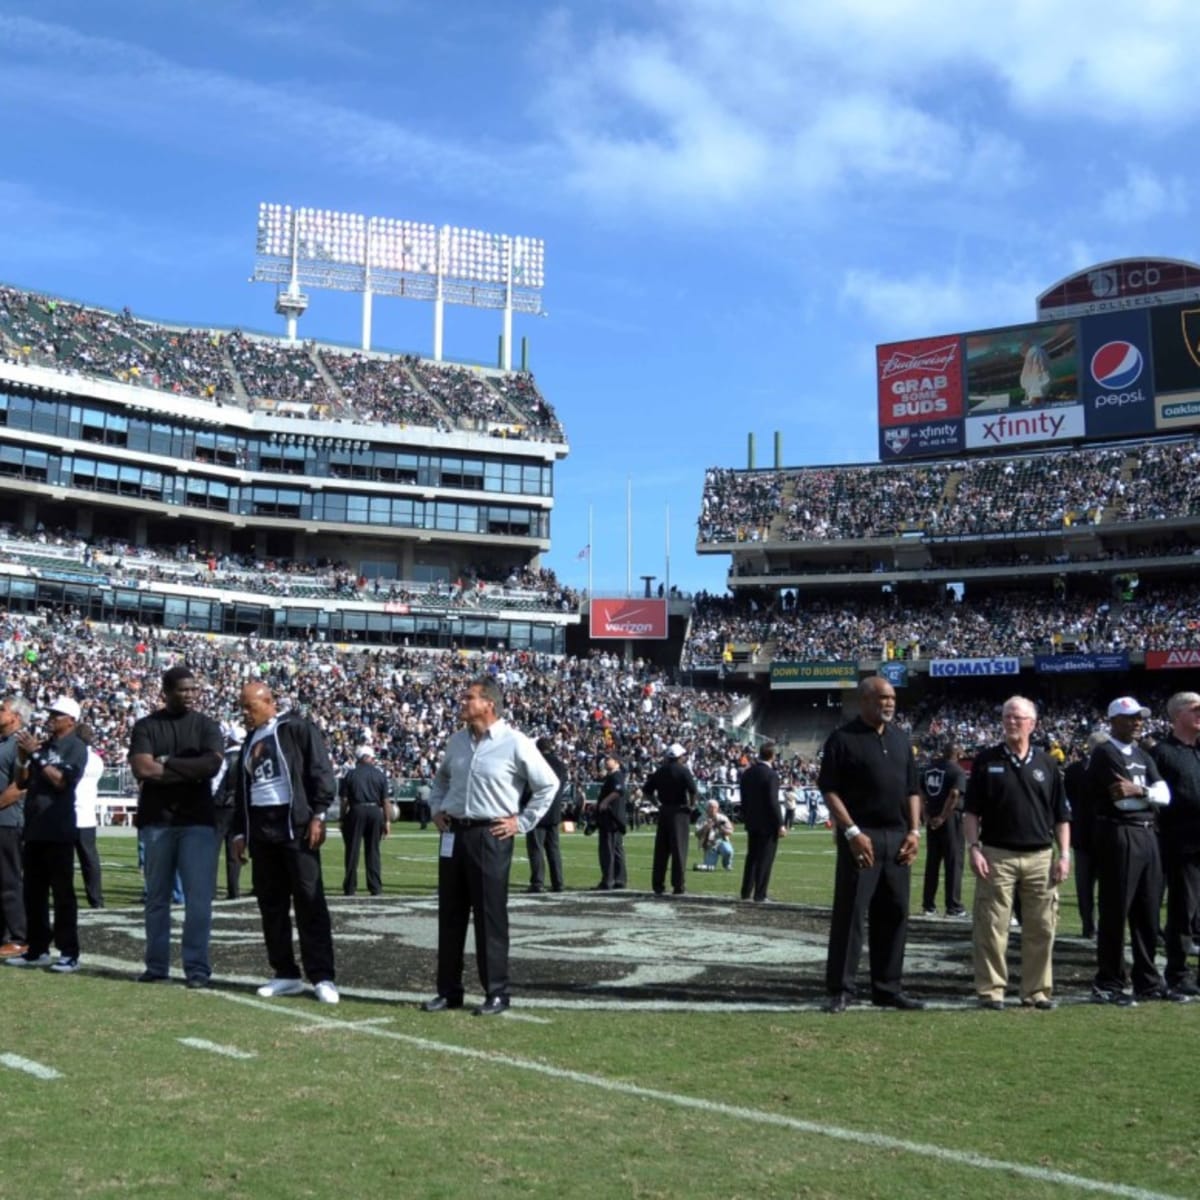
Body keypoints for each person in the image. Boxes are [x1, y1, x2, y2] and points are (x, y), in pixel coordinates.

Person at [421, 677, 558, 1016]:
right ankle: (449, 991)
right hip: (454, 833)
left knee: (489, 917)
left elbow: (548, 784)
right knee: (450, 916)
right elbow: (440, 780)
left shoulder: (515, 742)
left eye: (469, 697)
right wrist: (436, 809)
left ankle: (497, 992)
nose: (462, 701)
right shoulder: (456, 742)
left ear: (489, 704)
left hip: (490, 835)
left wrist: (521, 822)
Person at [819, 676, 924, 1013]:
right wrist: (850, 831)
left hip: (897, 837)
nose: (890, 703)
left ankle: (887, 987)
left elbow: (912, 790)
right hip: (860, 838)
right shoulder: (842, 739)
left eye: (893, 697)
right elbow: (830, 790)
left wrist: (914, 831)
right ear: (864, 700)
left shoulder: (900, 740)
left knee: (894, 913)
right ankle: (841, 989)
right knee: (851, 914)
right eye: (883, 697)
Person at [232, 682, 340, 1004]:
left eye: (249, 707)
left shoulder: (296, 728)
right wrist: (240, 832)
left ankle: (322, 975)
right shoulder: (249, 740)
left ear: (269, 702)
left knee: (309, 900)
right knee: (271, 904)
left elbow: (320, 770)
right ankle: (285, 973)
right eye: (242, 707)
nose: (245, 714)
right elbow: (243, 790)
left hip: (295, 826)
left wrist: (319, 813)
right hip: (262, 830)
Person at [962, 697, 1071, 1010]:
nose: (1011, 722)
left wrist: (1064, 855)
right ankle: (991, 990)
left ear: (1032, 724)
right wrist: (974, 848)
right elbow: (971, 812)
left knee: (1042, 927)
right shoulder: (985, 760)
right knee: (992, 926)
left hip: (1040, 856)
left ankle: (1036, 991)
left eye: (1018, 718)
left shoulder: (1048, 763)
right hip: (996, 854)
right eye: (1007, 716)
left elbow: (1061, 816)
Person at [129, 666, 224, 987]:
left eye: (194, 689)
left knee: (198, 900)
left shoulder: (207, 725)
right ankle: (156, 966)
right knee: (157, 899)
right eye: (183, 690)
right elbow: (142, 768)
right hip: (157, 821)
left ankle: (196, 968)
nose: (191, 695)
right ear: (166, 691)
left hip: (197, 821)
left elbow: (212, 765)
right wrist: (189, 770)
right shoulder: (146, 725)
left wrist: (167, 763)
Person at [1085, 696, 1172, 1006]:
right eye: (1130, 717)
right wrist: (1147, 795)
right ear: (1113, 721)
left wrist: (1142, 791)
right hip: (1119, 832)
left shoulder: (1141, 754)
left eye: (1139, 717)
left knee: (1148, 911)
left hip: (1148, 835)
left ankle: (1147, 981)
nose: (1137, 722)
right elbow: (1122, 801)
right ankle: (1109, 982)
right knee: (1115, 909)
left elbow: (1165, 795)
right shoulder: (1105, 753)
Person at [5, 696, 87, 973]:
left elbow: (63, 781)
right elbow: (23, 781)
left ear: (71, 720)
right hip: (35, 828)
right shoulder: (46, 745)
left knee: (63, 894)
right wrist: (24, 758)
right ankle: (37, 948)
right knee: (33, 893)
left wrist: (36, 756)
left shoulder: (76, 747)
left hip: (59, 829)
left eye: (57, 714)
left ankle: (68, 952)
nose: (51, 718)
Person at [1147, 692, 1200, 1000]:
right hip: (1181, 845)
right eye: (1195, 709)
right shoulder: (1163, 753)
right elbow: (1157, 799)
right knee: (1183, 911)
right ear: (1177, 715)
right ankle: (1178, 973)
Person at [1064, 732, 1107, 939]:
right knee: (1093, 887)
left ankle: (1091, 926)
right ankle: (1092, 926)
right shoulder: (1075, 770)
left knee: (1088, 887)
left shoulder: (1074, 770)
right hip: (1093, 835)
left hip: (1087, 834)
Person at [644, 742, 699, 896]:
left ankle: (658, 884)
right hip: (680, 813)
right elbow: (693, 790)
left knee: (661, 850)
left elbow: (647, 791)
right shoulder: (683, 771)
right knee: (679, 851)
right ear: (680, 756)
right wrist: (692, 806)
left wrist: (658, 804)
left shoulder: (660, 771)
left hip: (664, 811)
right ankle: (678, 885)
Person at [920, 742, 967, 917]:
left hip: (932, 818)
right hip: (949, 820)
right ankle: (953, 907)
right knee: (953, 863)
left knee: (932, 862)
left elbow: (921, 792)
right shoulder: (957, 771)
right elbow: (954, 794)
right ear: (957, 753)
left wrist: (926, 815)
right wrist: (943, 816)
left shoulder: (928, 770)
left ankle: (928, 905)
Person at [0, 697, 30, 958]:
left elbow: (19, 786)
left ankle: (19, 936)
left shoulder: (19, 745)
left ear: (16, 716)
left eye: (2, 709)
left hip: (8, 822)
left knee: (9, 881)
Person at [339, 745, 390, 896]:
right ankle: (375, 887)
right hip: (375, 812)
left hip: (356, 811)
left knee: (352, 851)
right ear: (369, 757)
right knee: (373, 851)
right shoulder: (379, 775)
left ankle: (350, 887)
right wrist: (387, 821)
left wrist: (342, 818)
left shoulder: (350, 774)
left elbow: (344, 800)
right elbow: (385, 801)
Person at [739, 741, 785, 902]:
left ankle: (745, 892)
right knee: (765, 859)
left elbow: (743, 800)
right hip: (767, 824)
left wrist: (747, 816)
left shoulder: (747, 773)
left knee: (751, 857)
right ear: (772, 756)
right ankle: (760, 893)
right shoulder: (771, 775)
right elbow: (773, 801)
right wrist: (780, 823)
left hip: (752, 821)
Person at [525, 736, 566, 893]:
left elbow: (529, 787)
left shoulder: (536, 762)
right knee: (554, 849)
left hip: (537, 811)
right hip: (554, 811)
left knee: (536, 848)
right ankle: (558, 882)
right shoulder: (560, 765)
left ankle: (537, 882)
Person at [73, 724, 105, 909]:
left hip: (70, 814)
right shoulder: (96, 760)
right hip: (87, 816)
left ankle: (67, 898)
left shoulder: (75, 756)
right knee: (90, 861)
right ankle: (96, 900)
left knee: (64, 862)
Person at [212, 723, 245, 900]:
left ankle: (211, 890)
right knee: (234, 852)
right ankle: (234, 891)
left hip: (221, 807)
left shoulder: (225, 757)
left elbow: (215, 783)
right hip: (239, 808)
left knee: (213, 850)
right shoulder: (248, 756)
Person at [594, 753, 628, 890]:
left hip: (610, 818)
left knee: (608, 850)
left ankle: (608, 880)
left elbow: (619, 790)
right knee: (616, 850)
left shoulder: (616, 776)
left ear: (617, 762)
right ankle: (619, 879)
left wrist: (605, 802)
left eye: (610, 759)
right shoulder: (612, 776)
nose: (606, 761)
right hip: (616, 819)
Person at [694, 798, 734, 871]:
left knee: (728, 851)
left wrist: (720, 828)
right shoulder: (701, 819)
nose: (712, 809)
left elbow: (730, 831)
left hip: (722, 841)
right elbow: (696, 834)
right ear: (706, 808)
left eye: (714, 807)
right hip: (709, 844)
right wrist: (705, 828)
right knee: (709, 868)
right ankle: (699, 866)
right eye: (710, 807)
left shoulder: (723, 818)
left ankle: (727, 865)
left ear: (717, 808)